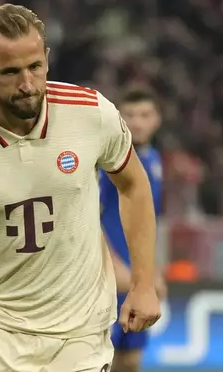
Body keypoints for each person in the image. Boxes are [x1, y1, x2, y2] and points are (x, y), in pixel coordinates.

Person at [0, 4, 161, 372]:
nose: (27, 84)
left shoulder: (91, 113)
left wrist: (143, 283)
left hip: (79, 332)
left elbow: (134, 185)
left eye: (35, 67)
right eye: (10, 72)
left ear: (47, 59)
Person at [99, 87, 167, 372]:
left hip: (136, 280)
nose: (137, 122)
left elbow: (151, 222)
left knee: (130, 361)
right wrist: (114, 267)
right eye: (130, 115)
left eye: (145, 115)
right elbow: (88, 218)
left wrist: (153, 272)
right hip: (109, 281)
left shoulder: (153, 161)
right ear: (119, 119)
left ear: (157, 120)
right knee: (100, 359)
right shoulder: (107, 164)